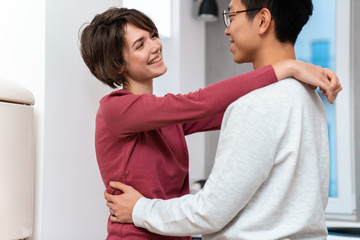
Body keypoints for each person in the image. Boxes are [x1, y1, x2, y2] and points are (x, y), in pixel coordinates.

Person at [104, 0, 337, 239]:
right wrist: (288, 68)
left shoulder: (256, 106)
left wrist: (140, 209)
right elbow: (202, 103)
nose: (226, 28)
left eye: (232, 16)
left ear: (263, 21)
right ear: (118, 64)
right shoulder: (309, 98)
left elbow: (209, 211)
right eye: (140, 44)